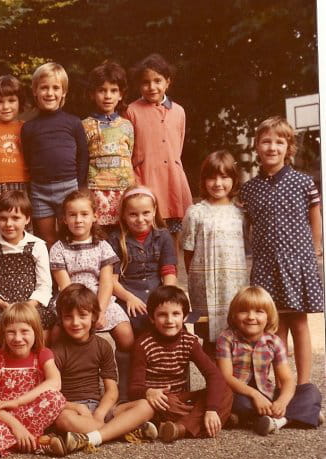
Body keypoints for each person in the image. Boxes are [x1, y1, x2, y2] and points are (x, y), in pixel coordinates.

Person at [239, 116, 324, 384]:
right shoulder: (249, 189)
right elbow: (247, 226)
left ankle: (304, 385)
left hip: (297, 262)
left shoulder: (303, 182)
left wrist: (316, 247)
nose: (272, 147)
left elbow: (315, 214)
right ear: (257, 146)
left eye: (279, 142)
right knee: (274, 327)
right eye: (266, 142)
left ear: (289, 147)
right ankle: (282, 384)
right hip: (266, 265)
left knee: (298, 323)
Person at [51, 284, 157, 453]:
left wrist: (100, 412)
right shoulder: (56, 351)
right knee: (62, 420)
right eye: (68, 317)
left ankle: (91, 437)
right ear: (61, 319)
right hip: (73, 410)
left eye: (82, 316)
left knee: (146, 406)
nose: (75, 322)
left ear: (94, 316)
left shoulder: (103, 346)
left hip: (100, 407)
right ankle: (122, 430)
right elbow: (51, 395)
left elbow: (111, 390)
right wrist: (76, 408)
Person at [49, 189, 132, 399]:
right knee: (55, 335)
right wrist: (80, 313)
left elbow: (106, 282)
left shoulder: (103, 246)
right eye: (72, 215)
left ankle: (123, 388)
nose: (78, 220)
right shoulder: (58, 248)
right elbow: (65, 286)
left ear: (95, 216)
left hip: (100, 300)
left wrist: (99, 311)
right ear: (64, 219)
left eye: (84, 214)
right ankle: (61, 384)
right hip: (70, 301)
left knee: (126, 336)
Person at [0, 303, 67, 457]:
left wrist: (17, 402)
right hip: (2, 415)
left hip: (31, 413)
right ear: (3, 334)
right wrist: (17, 427)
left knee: (56, 398)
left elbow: (55, 383)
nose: (18, 338)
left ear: (36, 332)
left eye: (24, 331)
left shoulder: (43, 353)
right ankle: (37, 442)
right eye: (11, 332)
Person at [130, 285, 232, 442]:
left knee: (225, 390)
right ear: (152, 318)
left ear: (184, 317)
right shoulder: (143, 344)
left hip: (183, 399)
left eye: (176, 314)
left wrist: (211, 409)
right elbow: (134, 388)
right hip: (162, 401)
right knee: (167, 402)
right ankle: (213, 420)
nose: (170, 320)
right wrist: (148, 392)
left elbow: (214, 375)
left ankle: (180, 428)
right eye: (162, 315)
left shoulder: (189, 342)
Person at [216, 286, 323, 435]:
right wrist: (255, 395)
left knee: (311, 391)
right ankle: (303, 413)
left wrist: (282, 402)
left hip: (268, 395)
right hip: (239, 394)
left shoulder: (274, 342)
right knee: (237, 403)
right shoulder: (226, 338)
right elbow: (226, 377)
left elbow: (287, 380)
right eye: (243, 311)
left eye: (259, 311)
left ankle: (278, 421)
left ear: (269, 316)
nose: (251, 317)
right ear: (234, 315)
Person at [181, 150, 248, 357]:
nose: (218, 183)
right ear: (204, 180)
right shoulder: (195, 212)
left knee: (237, 333)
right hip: (205, 286)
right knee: (208, 335)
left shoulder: (241, 213)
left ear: (234, 179)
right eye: (212, 177)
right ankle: (213, 376)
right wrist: (198, 281)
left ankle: (236, 376)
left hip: (234, 285)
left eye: (224, 177)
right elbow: (188, 252)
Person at [126, 53, 192, 247]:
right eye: (146, 82)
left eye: (157, 81)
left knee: (172, 236)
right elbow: (128, 150)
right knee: (146, 234)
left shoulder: (178, 111)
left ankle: (171, 266)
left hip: (173, 182)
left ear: (167, 82)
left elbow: (177, 146)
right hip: (146, 180)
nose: (152, 87)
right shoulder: (131, 111)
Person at [21, 62, 88, 247]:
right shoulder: (28, 127)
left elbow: (83, 157)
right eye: (44, 88)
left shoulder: (73, 123)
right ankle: (51, 267)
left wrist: (79, 187)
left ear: (64, 92)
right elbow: (28, 158)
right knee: (48, 240)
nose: (50, 93)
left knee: (71, 235)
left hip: (69, 186)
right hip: (40, 190)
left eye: (55, 88)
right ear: (35, 91)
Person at [0, 190, 55, 345]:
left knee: (43, 332)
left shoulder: (37, 246)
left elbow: (45, 285)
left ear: (27, 219)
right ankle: (10, 360)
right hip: (3, 308)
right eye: (3, 218)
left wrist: (27, 306)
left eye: (15, 218)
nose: (8, 224)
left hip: (32, 306)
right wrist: (5, 305)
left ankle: (36, 359)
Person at [109, 186, 177, 336]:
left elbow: (169, 271)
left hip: (157, 293)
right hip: (127, 295)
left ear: (154, 211)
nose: (140, 219)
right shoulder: (116, 239)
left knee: (170, 324)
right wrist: (129, 298)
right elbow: (111, 281)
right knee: (137, 325)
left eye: (146, 213)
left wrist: (167, 296)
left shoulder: (163, 236)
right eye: (133, 214)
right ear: (124, 215)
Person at [82, 61, 135, 234]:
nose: (107, 96)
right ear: (92, 94)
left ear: (121, 95)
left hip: (124, 189)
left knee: (124, 234)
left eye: (113, 90)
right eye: (102, 90)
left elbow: (130, 154)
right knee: (99, 234)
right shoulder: (84, 125)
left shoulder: (127, 125)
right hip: (97, 189)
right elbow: (83, 159)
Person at [0, 75, 31, 242]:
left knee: (21, 233)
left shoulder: (26, 128)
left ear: (19, 101)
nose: (6, 106)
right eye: (0, 102)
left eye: (11, 100)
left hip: (21, 185)